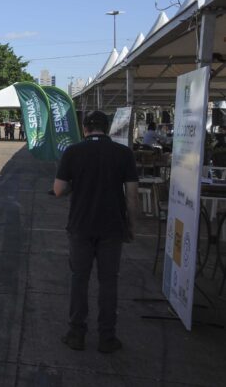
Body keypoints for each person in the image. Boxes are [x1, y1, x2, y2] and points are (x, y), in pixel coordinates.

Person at [54, 111, 139, 354]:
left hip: (80, 226)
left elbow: (58, 190)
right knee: (109, 282)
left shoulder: (73, 152)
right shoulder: (124, 154)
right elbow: (132, 196)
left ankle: (76, 334)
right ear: (108, 127)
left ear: (85, 129)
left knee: (79, 280)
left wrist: (76, 184)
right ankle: (107, 337)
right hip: (112, 227)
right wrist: (131, 225)